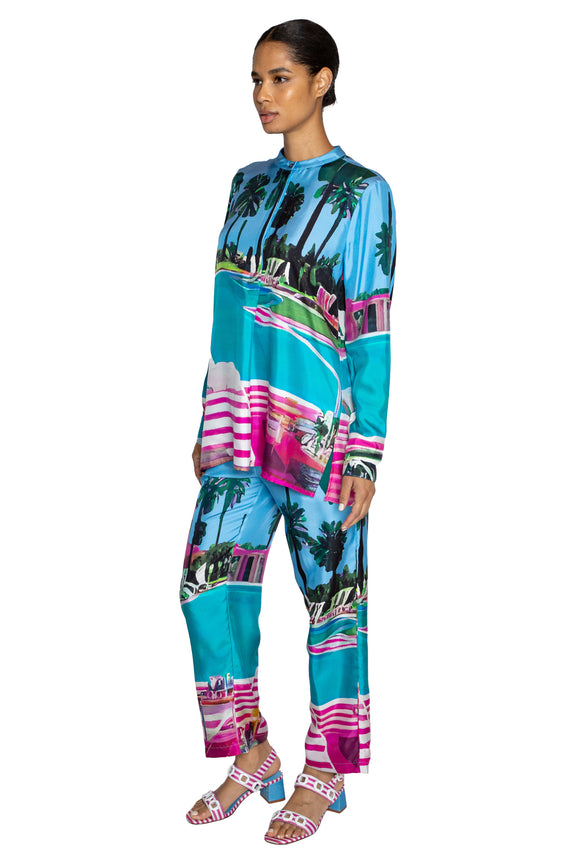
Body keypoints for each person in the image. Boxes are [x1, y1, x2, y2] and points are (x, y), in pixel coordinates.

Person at [179, 18, 397, 845]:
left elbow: (370, 329)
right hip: (238, 432)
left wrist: (366, 454)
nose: (263, 96)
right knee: (205, 588)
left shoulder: (363, 192)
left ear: (321, 80)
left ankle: (326, 768)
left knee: (332, 604)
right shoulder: (245, 184)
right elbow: (225, 315)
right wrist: (209, 415)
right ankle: (253, 750)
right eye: (256, 80)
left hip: (320, 439)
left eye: (279, 78)